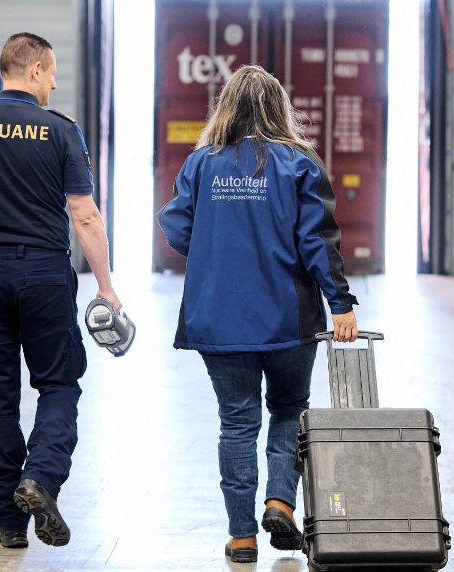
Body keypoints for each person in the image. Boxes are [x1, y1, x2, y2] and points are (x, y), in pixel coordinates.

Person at [156, 65, 358, 563]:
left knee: (236, 423)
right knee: (289, 410)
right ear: (278, 109)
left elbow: (176, 226)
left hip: (217, 317)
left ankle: (242, 537)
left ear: (226, 107)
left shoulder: (201, 163)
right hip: (286, 319)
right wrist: (340, 304)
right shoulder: (298, 163)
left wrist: (214, 247)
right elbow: (317, 241)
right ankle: (279, 502)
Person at [0, 32, 121, 549]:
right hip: (43, 275)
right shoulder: (60, 131)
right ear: (33, 70)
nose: (55, 83)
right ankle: (41, 477)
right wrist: (105, 286)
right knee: (58, 384)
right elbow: (84, 214)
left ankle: (10, 522)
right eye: (52, 72)